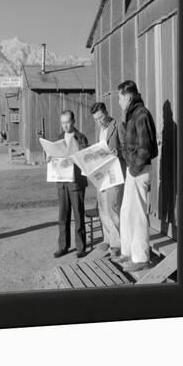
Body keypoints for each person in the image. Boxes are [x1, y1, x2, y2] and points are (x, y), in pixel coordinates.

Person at [114, 80, 158, 272]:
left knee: (138, 213)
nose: (118, 102)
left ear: (129, 97)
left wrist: (134, 168)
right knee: (126, 212)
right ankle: (128, 252)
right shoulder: (132, 114)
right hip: (133, 170)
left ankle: (141, 258)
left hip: (139, 171)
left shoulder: (141, 115)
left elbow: (146, 148)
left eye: (120, 97)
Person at [90, 102, 125, 257]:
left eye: (101, 118)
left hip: (114, 174)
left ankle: (118, 243)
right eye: (96, 119)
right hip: (101, 175)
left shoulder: (118, 125)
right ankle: (107, 239)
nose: (100, 122)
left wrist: (119, 151)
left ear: (106, 112)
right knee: (103, 208)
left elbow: (128, 147)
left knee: (113, 208)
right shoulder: (100, 130)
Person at [52, 110, 89, 258]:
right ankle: (63, 246)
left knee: (78, 214)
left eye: (67, 122)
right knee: (63, 215)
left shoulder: (81, 138)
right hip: (62, 182)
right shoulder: (59, 138)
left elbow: (86, 158)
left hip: (76, 181)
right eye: (62, 123)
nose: (65, 126)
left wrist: (76, 157)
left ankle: (80, 247)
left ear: (73, 121)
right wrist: (50, 158)